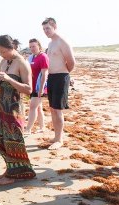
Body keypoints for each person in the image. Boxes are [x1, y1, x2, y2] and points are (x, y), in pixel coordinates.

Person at [0, 35, 36, 185]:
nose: (1, 55)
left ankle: (16, 174)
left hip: (14, 108)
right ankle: (11, 168)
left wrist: (9, 79)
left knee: (13, 141)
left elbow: (29, 90)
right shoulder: (4, 62)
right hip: (3, 107)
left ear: (12, 48)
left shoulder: (22, 63)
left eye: (3, 51)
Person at [42, 17, 75, 150]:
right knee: (52, 108)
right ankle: (56, 136)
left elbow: (71, 62)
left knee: (58, 109)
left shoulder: (62, 41)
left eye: (48, 28)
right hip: (51, 77)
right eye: (44, 29)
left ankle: (60, 139)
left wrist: (64, 74)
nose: (46, 31)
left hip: (61, 77)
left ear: (54, 26)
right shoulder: (50, 43)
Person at [24, 38, 49, 135]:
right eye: (30, 47)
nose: (32, 48)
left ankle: (28, 129)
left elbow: (44, 74)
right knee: (38, 107)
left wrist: (41, 89)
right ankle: (42, 127)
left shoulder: (43, 56)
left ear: (39, 45)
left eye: (34, 46)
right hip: (32, 86)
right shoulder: (32, 57)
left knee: (32, 107)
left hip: (39, 87)